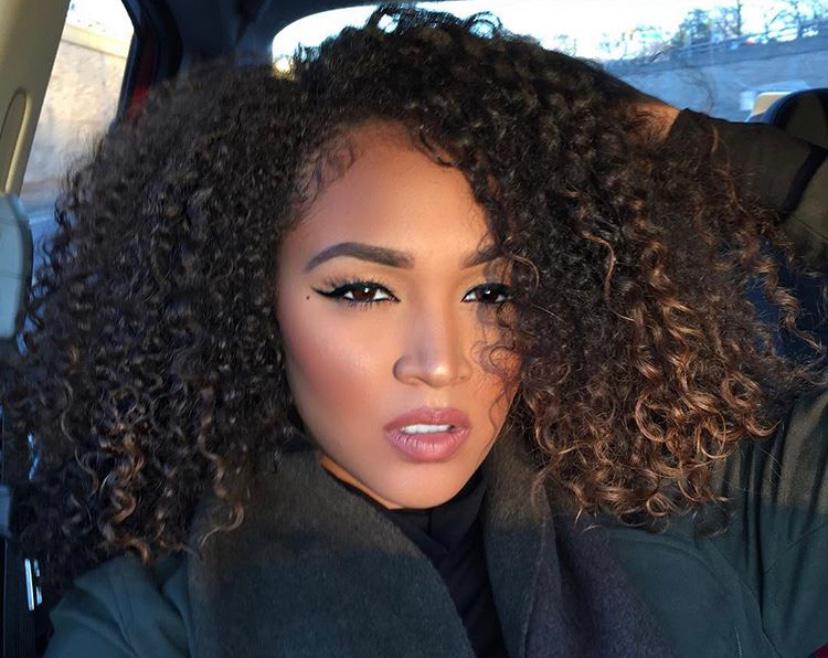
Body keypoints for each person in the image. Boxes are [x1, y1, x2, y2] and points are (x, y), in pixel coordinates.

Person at [2, 7, 827, 658]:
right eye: (363, 290)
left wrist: (674, 140)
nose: (440, 362)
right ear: (253, 301)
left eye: (493, 289)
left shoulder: (705, 503)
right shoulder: (146, 629)